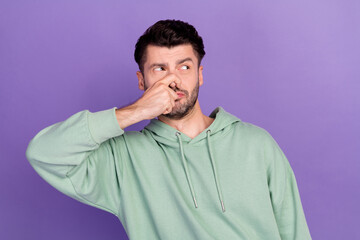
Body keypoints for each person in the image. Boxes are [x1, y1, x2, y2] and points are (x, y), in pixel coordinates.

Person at [26, 19, 312, 240]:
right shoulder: (122, 159)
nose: (173, 80)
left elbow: (295, 231)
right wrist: (136, 111)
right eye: (160, 69)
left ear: (200, 74)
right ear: (142, 81)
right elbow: (43, 153)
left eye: (184, 67)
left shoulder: (256, 143)